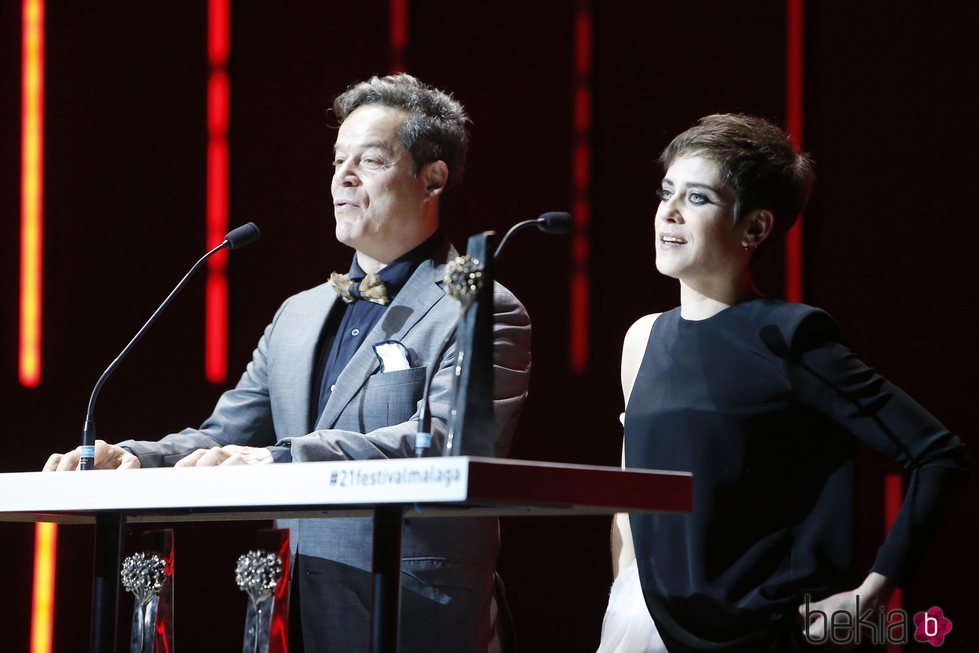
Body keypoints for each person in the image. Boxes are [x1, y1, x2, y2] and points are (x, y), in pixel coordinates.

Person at [44, 74, 532, 652]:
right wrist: (131, 458)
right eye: (337, 161)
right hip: (286, 606)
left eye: (369, 161)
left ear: (433, 179)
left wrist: (283, 456)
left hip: (410, 608)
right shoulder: (298, 315)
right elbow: (225, 435)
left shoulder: (482, 308)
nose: (342, 179)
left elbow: (452, 442)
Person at [599, 114, 969, 652]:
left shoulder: (788, 337)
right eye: (666, 192)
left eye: (698, 198)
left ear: (755, 227)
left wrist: (872, 593)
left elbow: (938, 455)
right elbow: (632, 496)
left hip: (761, 632)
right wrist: (625, 591)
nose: (669, 213)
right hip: (646, 621)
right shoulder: (642, 339)